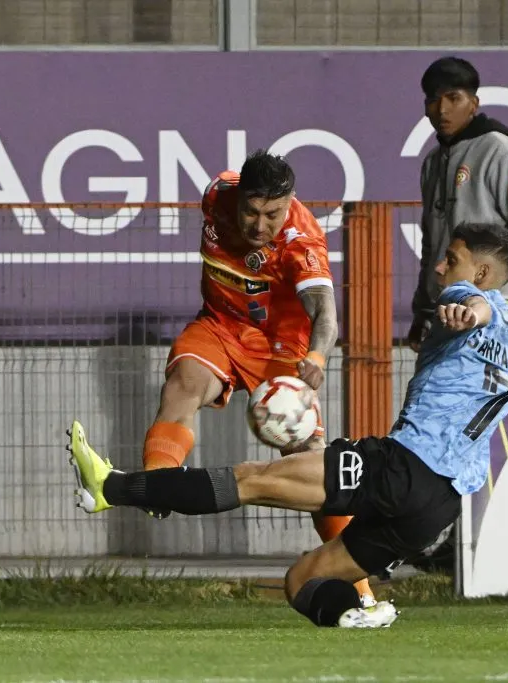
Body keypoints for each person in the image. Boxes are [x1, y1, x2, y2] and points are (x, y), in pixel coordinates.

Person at [65, 222, 508, 628]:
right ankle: (354, 615)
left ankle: (110, 487)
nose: (439, 266)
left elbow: (475, 306)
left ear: (481, 272)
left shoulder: (468, 296)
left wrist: (469, 315)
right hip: (439, 507)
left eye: (450, 259)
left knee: (251, 480)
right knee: (302, 580)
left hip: (403, 467)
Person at [140, 149, 374, 607]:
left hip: (282, 346)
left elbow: (325, 313)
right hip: (221, 326)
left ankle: (359, 586)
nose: (261, 225)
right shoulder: (216, 193)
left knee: (310, 463)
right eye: (252, 211)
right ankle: (154, 483)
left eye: (273, 214)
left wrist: (318, 357)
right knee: (183, 384)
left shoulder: (301, 240)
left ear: (289, 204)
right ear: (238, 196)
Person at [409, 57, 508, 352]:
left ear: (473, 104)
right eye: (433, 100)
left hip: (499, 307)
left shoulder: (501, 151)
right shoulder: (432, 162)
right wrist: (423, 309)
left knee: (495, 382)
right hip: (449, 308)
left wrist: (487, 288)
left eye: (454, 98)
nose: (442, 109)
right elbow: (431, 244)